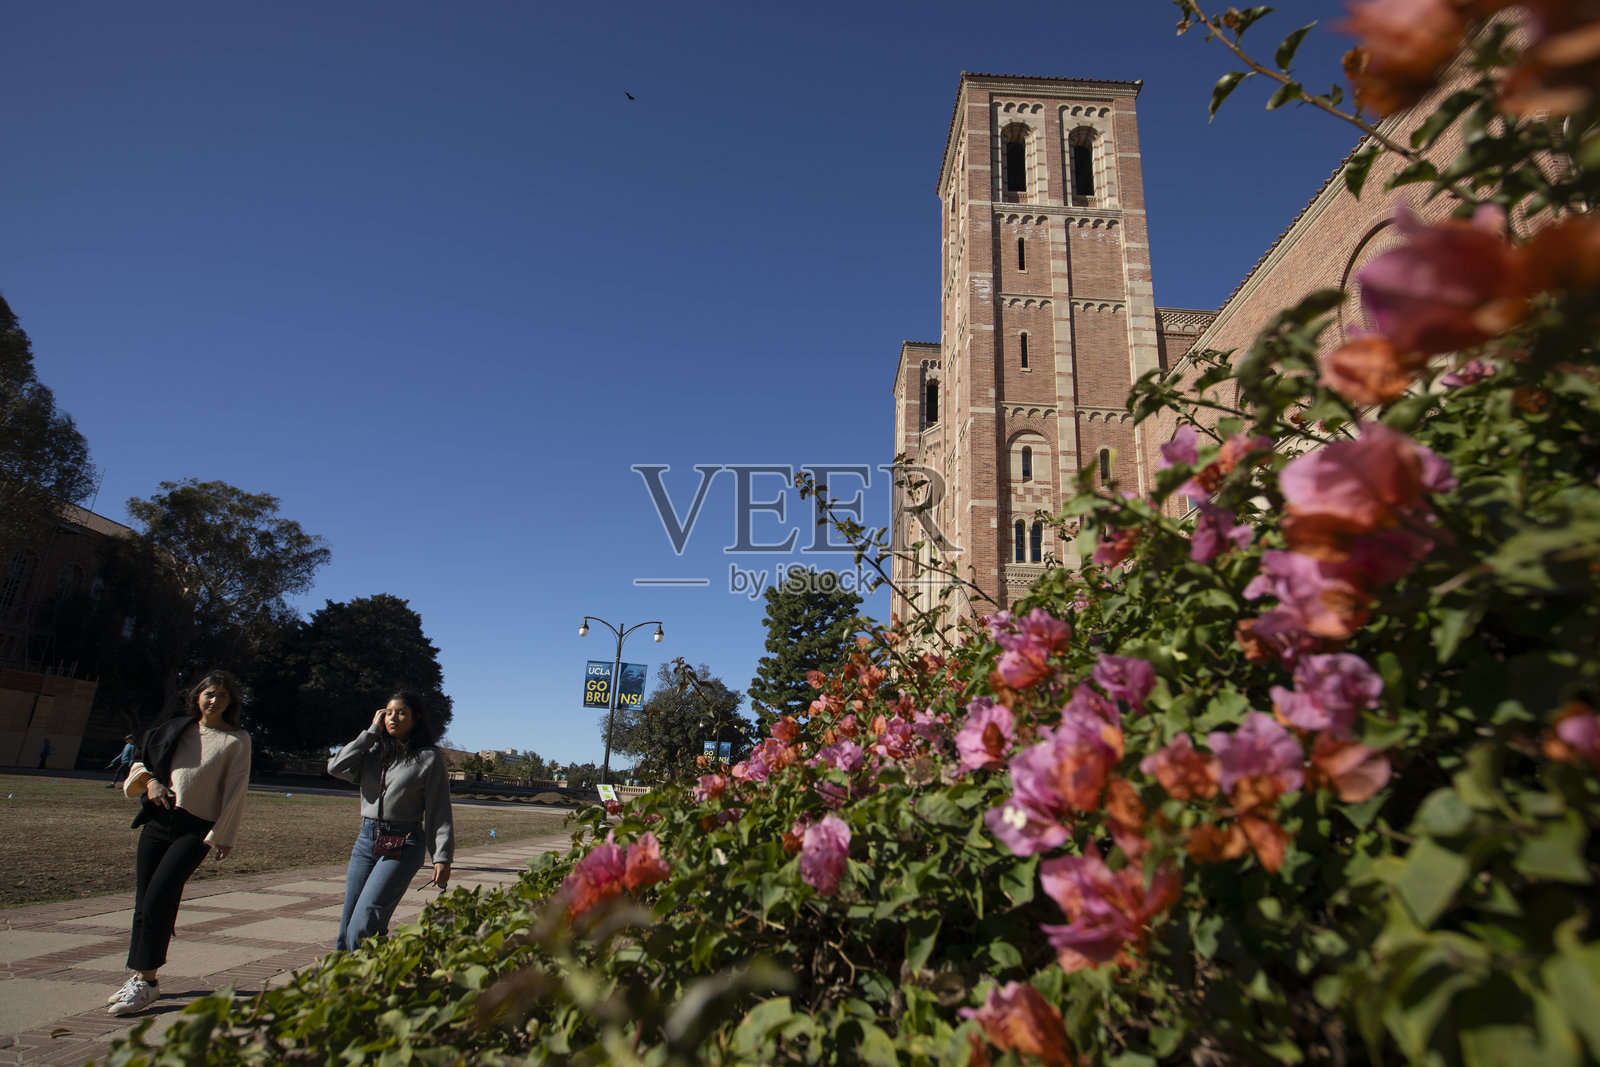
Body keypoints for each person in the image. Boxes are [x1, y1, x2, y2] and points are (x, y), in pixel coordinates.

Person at [107, 670, 252, 1017]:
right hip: (159, 821)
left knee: (160, 897)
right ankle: (140, 978)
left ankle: (147, 981)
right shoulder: (175, 729)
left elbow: (236, 791)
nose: (214, 701)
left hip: (195, 830)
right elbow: (144, 762)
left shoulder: (237, 740)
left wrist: (224, 835)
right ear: (197, 697)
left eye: (222, 696)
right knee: (144, 901)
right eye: (209, 694)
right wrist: (151, 782)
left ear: (231, 703)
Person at [328, 691, 454, 951]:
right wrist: (370, 733)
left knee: (364, 924)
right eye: (388, 712)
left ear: (416, 718)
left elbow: (438, 810)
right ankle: (342, 986)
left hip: (403, 843)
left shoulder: (428, 757)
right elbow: (336, 767)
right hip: (366, 841)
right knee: (347, 925)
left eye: (402, 712)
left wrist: (441, 856)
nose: (393, 718)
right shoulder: (372, 751)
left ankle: (366, 984)